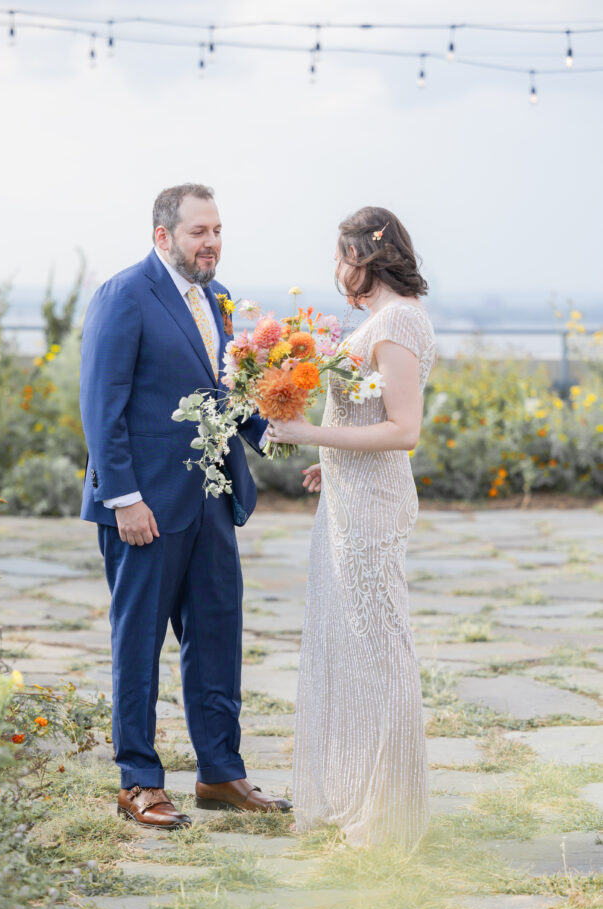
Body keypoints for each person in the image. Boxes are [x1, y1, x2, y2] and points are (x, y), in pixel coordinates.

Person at [79, 182, 291, 829]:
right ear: (163, 236)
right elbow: (101, 406)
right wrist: (124, 499)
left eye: (218, 230)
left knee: (218, 637)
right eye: (199, 232)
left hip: (211, 502)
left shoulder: (218, 301)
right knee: (137, 642)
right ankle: (138, 781)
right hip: (142, 508)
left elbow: (225, 392)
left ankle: (220, 772)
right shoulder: (123, 297)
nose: (212, 243)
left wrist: (280, 435)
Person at [266, 206, 435, 846]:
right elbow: (369, 425)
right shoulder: (389, 319)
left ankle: (389, 814)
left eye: (340, 258)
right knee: (362, 647)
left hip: (369, 510)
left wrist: (309, 431)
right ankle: (366, 796)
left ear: (363, 257)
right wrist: (329, 455)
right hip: (350, 495)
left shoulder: (394, 321)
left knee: (380, 651)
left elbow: (404, 430)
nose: (336, 271)